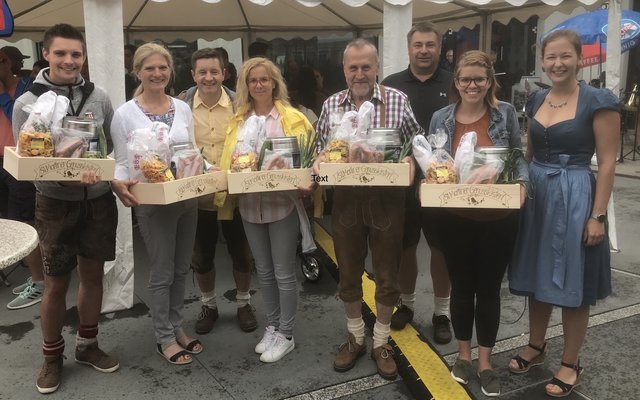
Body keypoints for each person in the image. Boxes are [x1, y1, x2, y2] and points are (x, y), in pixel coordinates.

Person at [508, 29, 619, 397]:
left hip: (575, 196)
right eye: (551, 57)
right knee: (537, 273)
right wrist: (518, 189)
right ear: (542, 61)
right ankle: (536, 345)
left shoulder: (597, 100)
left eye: (565, 57)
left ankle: (570, 362)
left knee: (575, 282)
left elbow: (606, 163)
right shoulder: (537, 98)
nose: (557, 63)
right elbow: (528, 150)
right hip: (538, 193)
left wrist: (597, 215)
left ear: (579, 59)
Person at [11, 24, 119, 394]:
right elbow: (28, 160)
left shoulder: (99, 96)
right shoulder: (28, 103)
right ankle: (51, 356)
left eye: (76, 54)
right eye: (61, 53)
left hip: (99, 200)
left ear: (84, 57)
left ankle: (88, 345)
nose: (69, 61)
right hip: (55, 204)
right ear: (46, 54)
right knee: (55, 283)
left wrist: (107, 173)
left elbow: (110, 149)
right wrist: (66, 176)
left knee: (93, 276)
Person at [314, 39, 422, 380]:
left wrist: (407, 163)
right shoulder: (332, 105)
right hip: (346, 197)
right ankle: (356, 336)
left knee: (388, 273)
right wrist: (318, 164)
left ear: (376, 68)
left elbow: (415, 144)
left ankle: (381, 341)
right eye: (353, 68)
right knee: (348, 270)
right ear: (344, 70)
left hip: (388, 198)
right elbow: (318, 150)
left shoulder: (397, 100)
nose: (359, 74)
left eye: (365, 67)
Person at [427, 50, 528, 397]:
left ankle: (485, 362)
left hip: (498, 218)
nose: (472, 85)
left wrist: (524, 186)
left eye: (479, 79)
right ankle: (464, 356)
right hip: (455, 218)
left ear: (489, 82)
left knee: (488, 290)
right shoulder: (441, 118)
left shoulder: (506, 114)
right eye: (465, 79)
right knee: (461, 287)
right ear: (456, 82)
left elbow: (517, 156)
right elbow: (434, 164)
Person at [216, 57, 314, 363]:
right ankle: (272, 326)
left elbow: (312, 161)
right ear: (245, 85)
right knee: (265, 272)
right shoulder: (239, 120)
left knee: (284, 272)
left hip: (281, 205)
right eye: (252, 80)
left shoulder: (293, 118)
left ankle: (286, 334)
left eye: (264, 79)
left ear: (275, 82)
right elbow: (228, 159)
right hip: (249, 206)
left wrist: (308, 181)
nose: (259, 85)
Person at [110, 43, 203, 366]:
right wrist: (118, 184)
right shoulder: (125, 114)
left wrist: (204, 168)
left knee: (181, 268)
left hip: (184, 195)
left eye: (162, 67)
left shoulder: (183, 107)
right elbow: (122, 162)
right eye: (149, 68)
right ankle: (164, 335)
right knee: (162, 271)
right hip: (152, 202)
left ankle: (177, 326)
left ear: (170, 70)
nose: (157, 73)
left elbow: (190, 150)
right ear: (137, 72)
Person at [381, 21, 453, 344]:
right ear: (409, 49)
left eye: (430, 45)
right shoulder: (391, 84)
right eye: (418, 45)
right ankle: (406, 305)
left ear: (440, 48)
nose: (424, 51)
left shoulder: (455, 83)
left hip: (443, 182)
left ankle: (442, 312)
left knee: (441, 248)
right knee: (405, 246)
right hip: (402, 182)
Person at [182, 48, 257, 335]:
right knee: (201, 257)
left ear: (224, 73)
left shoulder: (241, 105)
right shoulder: (181, 107)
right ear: (193, 75)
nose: (208, 77)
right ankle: (209, 305)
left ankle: (243, 303)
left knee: (242, 255)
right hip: (198, 196)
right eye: (202, 72)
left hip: (235, 196)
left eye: (214, 71)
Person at [0, 49, 44, 310]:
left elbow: (16, 119)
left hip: (18, 162)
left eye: (3, 61)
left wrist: (3, 89)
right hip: (0, 161)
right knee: (9, 221)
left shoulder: (26, 88)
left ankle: (39, 281)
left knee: (26, 222)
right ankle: (37, 275)